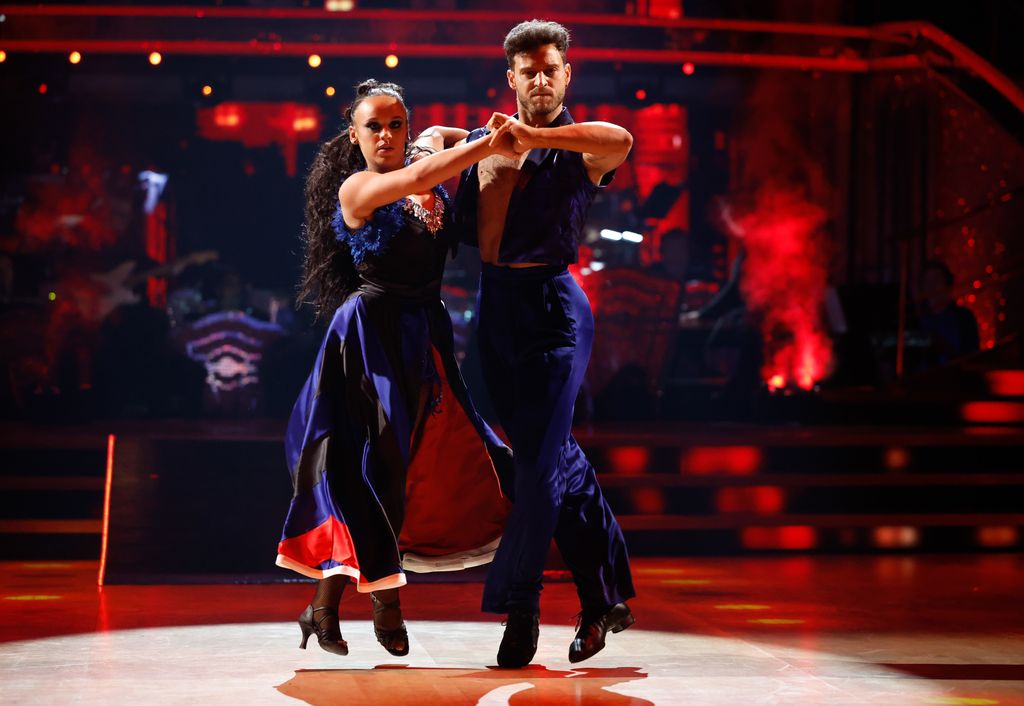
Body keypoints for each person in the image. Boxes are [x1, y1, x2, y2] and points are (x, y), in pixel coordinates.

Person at [276, 79, 520, 658]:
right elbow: (416, 178)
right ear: (355, 136)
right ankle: (387, 600)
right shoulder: (360, 188)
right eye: (374, 127)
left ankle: (323, 607)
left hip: (424, 334)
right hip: (368, 336)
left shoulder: (426, 161)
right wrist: (488, 143)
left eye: (396, 125)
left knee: (398, 470)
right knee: (374, 463)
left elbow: (440, 148)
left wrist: (478, 134)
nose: (386, 135)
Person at [445, 20, 637, 668]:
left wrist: (534, 136)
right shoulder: (486, 142)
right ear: (511, 78)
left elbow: (622, 138)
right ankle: (604, 597)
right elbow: (448, 150)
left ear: (566, 74)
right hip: (495, 308)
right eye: (528, 70)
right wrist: (437, 138)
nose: (541, 78)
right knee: (548, 457)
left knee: (538, 466)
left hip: (556, 307)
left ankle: (520, 606)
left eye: (551, 68)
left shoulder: (581, 146)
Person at [917, 259, 980, 365]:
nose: (931, 287)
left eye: (936, 281)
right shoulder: (917, 320)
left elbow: (971, 357)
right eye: (927, 282)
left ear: (948, 284)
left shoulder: (964, 318)